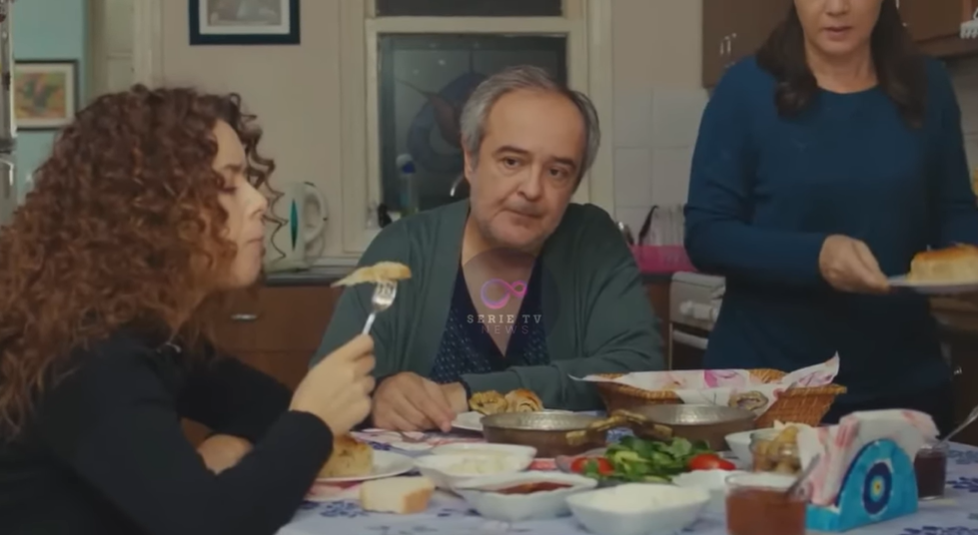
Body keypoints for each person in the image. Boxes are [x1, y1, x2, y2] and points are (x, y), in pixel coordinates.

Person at [0, 86, 376, 535]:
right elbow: (212, 526)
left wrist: (225, 451)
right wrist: (313, 421)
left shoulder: (155, 333)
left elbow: (265, 406)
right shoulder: (90, 355)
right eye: (226, 185)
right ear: (149, 214)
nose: (259, 201)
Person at [315, 66, 664, 432]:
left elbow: (639, 373)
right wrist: (379, 397)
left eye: (557, 172)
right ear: (470, 159)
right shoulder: (403, 247)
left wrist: (472, 394)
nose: (532, 189)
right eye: (511, 161)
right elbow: (325, 391)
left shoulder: (591, 240)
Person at [684, 0, 977, 435]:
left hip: (902, 392)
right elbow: (707, 234)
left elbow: (954, 211)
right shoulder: (745, 90)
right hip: (772, 391)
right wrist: (816, 256)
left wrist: (968, 263)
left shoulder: (928, 85)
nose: (837, 7)